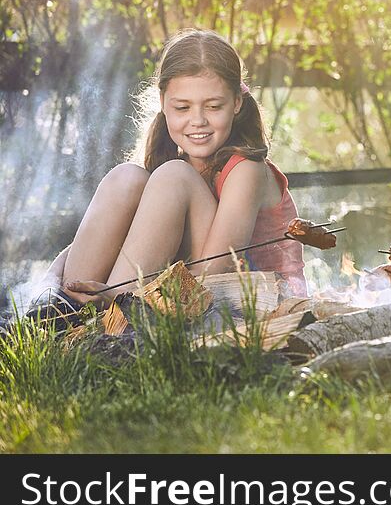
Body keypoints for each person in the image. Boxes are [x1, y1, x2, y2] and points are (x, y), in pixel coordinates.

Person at [32, 29, 307, 315]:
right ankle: (64, 311)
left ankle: (112, 316)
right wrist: (50, 280)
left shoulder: (246, 169)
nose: (197, 120)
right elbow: (105, 237)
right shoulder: (179, 169)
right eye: (182, 107)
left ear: (236, 102)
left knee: (174, 176)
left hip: (256, 302)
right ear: (163, 102)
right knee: (127, 178)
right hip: (186, 291)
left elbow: (212, 274)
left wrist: (113, 292)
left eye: (213, 106)